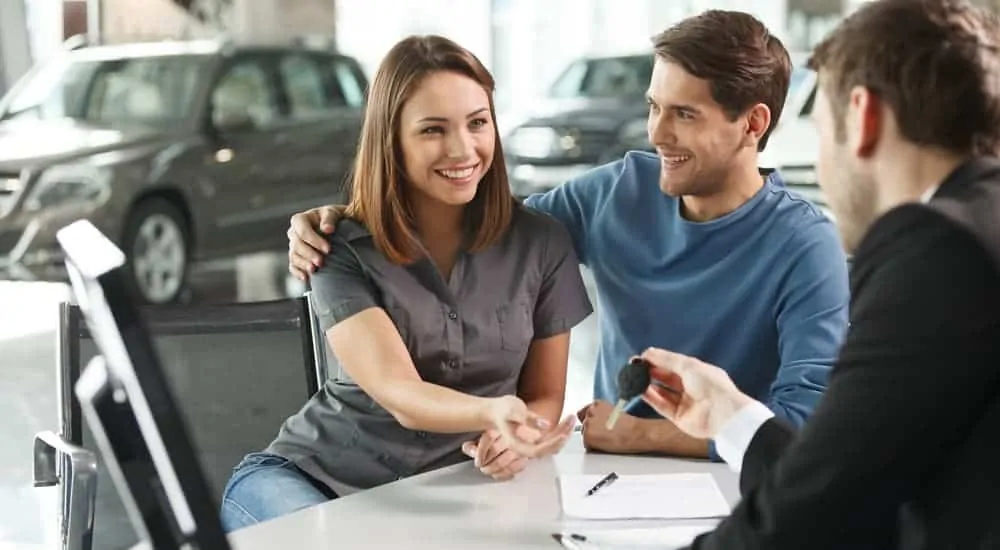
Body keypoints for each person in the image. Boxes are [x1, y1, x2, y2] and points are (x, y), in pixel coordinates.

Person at [286, 10, 850, 463]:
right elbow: (477, 222)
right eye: (653, 107)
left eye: (684, 114)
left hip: (738, 485)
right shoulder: (613, 193)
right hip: (608, 476)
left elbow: (802, 426)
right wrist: (347, 217)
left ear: (752, 124)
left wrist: (639, 435)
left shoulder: (806, 245)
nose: (657, 133)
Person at [637, 1, 1000, 548]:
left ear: (863, 117)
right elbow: (859, 472)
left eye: (823, 130)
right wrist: (733, 419)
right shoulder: (981, 222)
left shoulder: (937, 251)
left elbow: (813, 517)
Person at [219, 35, 591, 531]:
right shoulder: (338, 247)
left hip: (451, 493)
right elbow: (400, 393)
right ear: (390, 140)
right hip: (311, 482)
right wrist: (496, 411)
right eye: (433, 130)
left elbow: (544, 394)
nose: (463, 148)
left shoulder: (541, 242)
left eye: (478, 123)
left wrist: (519, 436)